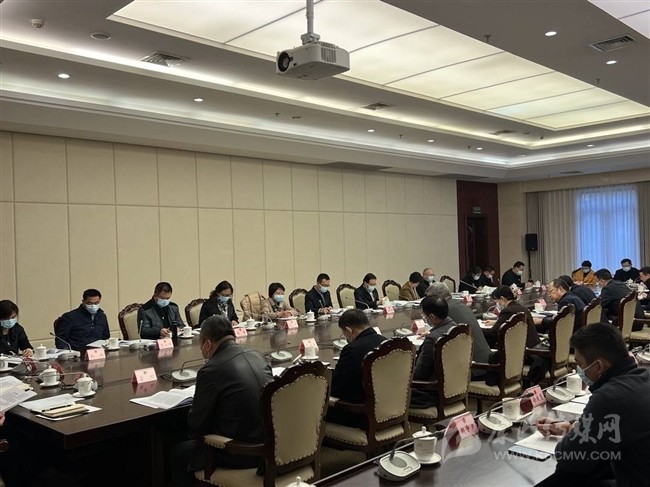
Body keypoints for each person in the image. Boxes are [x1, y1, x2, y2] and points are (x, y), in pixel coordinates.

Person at [535, 323, 650, 486]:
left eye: (580, 365)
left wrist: (571, 437)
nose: (579, 370)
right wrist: (570, 427)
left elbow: (569, 457)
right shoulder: (643, 377)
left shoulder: (609, 397)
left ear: (599, 366)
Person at [170, 315, 273, 487]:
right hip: (270, 447)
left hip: (240, 453)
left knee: (178, 453)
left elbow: (196, 424)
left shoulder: (211, 370)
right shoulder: (259, 357)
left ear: (207, 344)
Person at [327, 309, 386, 428]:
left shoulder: (351, 350)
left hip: (359, 414)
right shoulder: (385, 342)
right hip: (386, 408)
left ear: (349, 331)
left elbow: (336, 388)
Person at [425, 283, 491, 379]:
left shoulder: (446, 311)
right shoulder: (461, 304)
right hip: (486, 362)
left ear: (437, 299)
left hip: (473, 368)